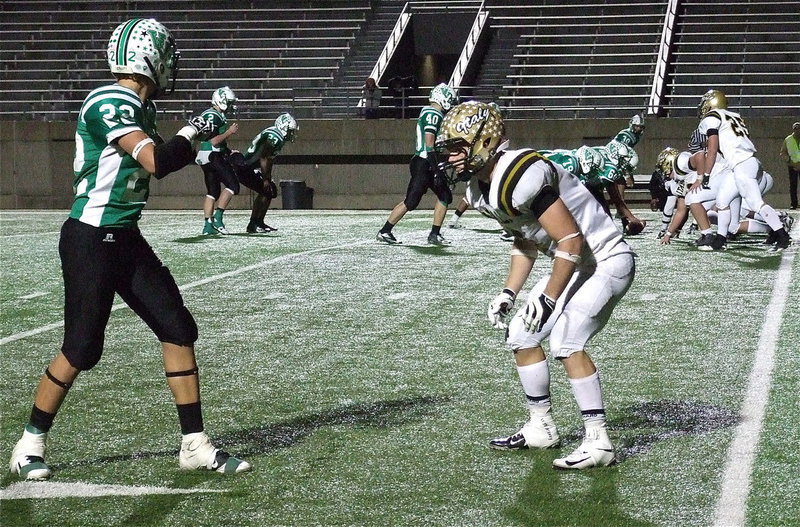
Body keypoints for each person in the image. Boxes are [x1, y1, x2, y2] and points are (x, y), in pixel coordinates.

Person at [8, 18, 251, 481]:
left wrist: (201, 141)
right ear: (149, 57)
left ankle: (194, 446)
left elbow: (170, 157)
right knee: (82, 347)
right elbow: (157, 162)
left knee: (178, 327)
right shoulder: (109, 99)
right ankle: (29, 442)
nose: (171, 63)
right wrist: (196, 128)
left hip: (125, 237)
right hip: (90, 238)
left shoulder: (140, 109)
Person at [436, 101, 635, 470]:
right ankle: (541, 426)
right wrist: (509, 291)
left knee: (567, 340)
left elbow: (571, 240)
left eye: (457, 147)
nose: (452, 158)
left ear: (484, 141)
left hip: (606, 259)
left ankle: (599, 442)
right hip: (574, 262)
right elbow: (526, 241)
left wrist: (548, 296)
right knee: (521, 336)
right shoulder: (482, 191)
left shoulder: (521, 172)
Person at [696, 89, 791, 251]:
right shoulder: (735, 116)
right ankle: (720, 240)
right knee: (722, 200)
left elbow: (712, 149)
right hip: (747, 162)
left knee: (755, 203)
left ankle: (782, 236)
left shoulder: (711, 118)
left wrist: (705, 175)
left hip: (742, 164)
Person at [376, 83, 458, 245]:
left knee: (445, 196)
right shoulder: (433, 113)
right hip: (424, 162)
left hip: (427, 161)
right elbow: (429, 144)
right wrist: (436, 169)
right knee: (411, 201)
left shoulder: (431, 113)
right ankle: (385, 231)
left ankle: (434, 234)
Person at [230, 112, 299, 233]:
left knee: (269, 191)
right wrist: (265, 179)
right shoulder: (275, 137)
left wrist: (268, 176)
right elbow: (264, 158)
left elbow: (269, 159)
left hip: (250, 166)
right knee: (266, 190)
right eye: (290, 130)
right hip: (246, 167)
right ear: (283, 127)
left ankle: (257, 222)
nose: (291, 134)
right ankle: (254, 223)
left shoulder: (277, 135)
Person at [196, 86, 239, 235]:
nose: (231, 106)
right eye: (229, 102)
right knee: (233, 185)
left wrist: (228, 150)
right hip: (212, 154)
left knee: (212, 191)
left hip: (206, 154)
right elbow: (214, 141)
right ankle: (218, 218)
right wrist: (229, 132)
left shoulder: (212, 114)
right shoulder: (213, 115)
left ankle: (208, 226)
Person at [779, 121, 800, 209]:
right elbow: (783, 152)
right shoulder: (788, 139)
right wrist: (790, 162)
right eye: (796, 129)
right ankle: (793, 204)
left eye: (799, 129)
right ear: (793, 130)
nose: (798, 131)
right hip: (793, 166)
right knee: (793, 185)